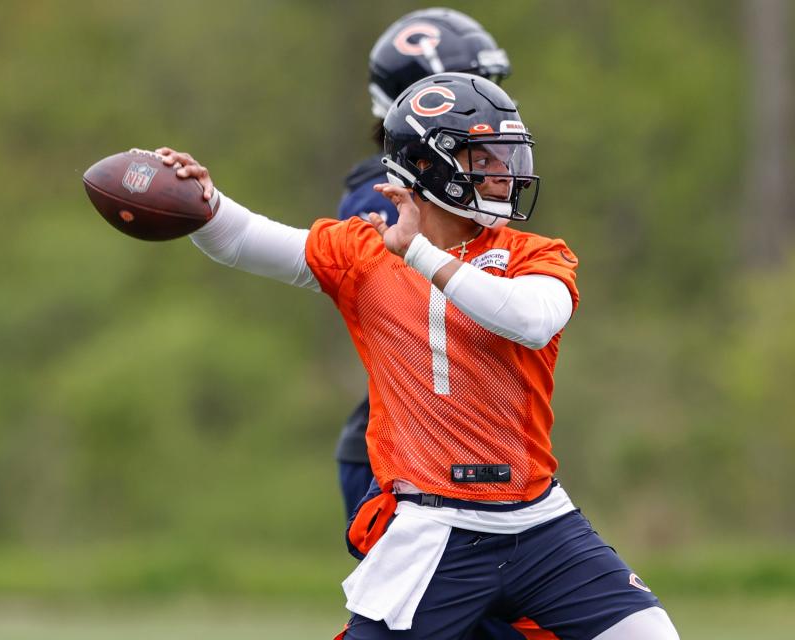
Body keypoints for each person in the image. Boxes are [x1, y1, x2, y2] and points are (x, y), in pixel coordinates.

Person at [156, 72, 679, 639]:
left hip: (539, 522)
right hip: (436, 527)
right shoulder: (364, 255)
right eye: (485, 157)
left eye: (509, 156)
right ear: (429, 167)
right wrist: (202, 200)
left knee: (648, 635)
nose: (506, 174)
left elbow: (530, 320)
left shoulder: (533, 253)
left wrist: (422, 255)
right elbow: (241, 239)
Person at [336, 7, 511, 520]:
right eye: (478, 87)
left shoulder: (468, 187)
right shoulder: (385, 193)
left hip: (463, 435)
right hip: (407, 445)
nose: (495, 108)